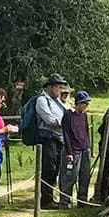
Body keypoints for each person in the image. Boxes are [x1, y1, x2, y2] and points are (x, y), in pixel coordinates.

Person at [30, 74, 70, 208]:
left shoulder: (56, 101)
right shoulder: (42, 100)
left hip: (58, 138)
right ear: (51, 87)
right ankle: (45, 200)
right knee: (48, 169)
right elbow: (49, 119)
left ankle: (50, 197)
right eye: (59, 87)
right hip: (48, 138)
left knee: (55, 169)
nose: (60, 91)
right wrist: (65, 121)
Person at [60, 91, 94, 206]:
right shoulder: (68, 115)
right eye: (85, 103)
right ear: (79, 103)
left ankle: (82, 200)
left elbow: (86, 131)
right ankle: (65, 201)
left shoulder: (84, 115)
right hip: (74, 150)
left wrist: (89, 147)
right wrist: (69, 152)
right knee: (70, 176)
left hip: (85, 148)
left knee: (85, 176)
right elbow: (66, 134)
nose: (87, 106)